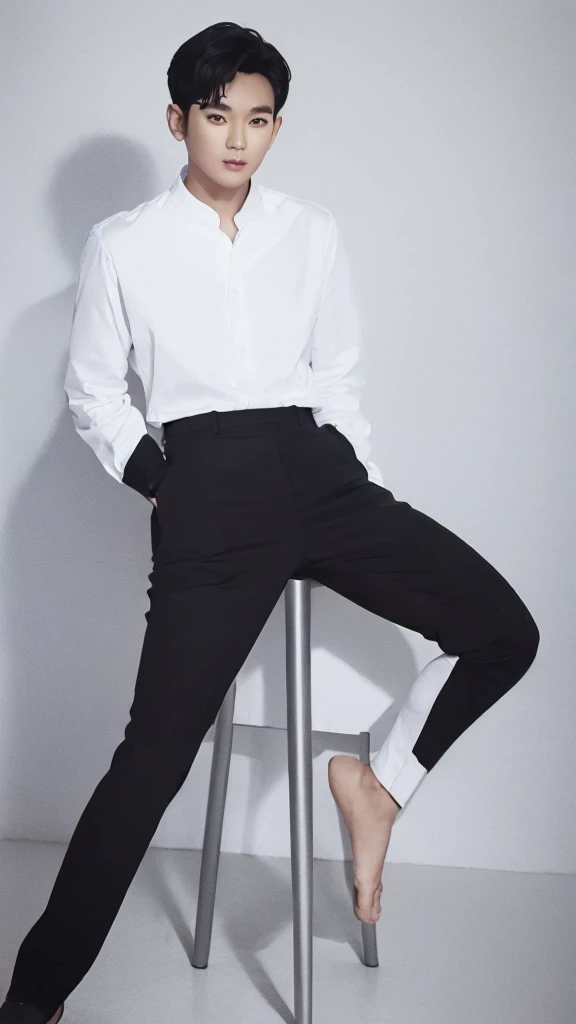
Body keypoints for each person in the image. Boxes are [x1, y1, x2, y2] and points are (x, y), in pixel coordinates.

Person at [0, 20, 540, 1024]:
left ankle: (375, 780)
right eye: (217, 117)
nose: (237, 140)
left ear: (276, 126)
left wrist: (363, 490)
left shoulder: (312, 230)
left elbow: (338, 377)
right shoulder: (125, 242)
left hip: (321, 473)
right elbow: (92, 395)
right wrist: (167, 476)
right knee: (153, 759)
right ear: (179, 120)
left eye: (258, 119)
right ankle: (34, 996)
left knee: (506, 630)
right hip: (209, 484)